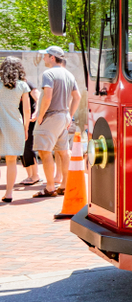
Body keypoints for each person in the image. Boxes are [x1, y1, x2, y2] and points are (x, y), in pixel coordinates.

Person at [32, 46, 80, 198]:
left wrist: (40, 115)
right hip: (64, 116)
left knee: (44, 152)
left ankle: (50, 187)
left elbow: (47, 97)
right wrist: (69, 115)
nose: (44, 58)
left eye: (45, 56)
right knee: (63, 152)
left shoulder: (48, 73)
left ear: (52, 57)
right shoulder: (69, 75)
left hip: (51, 117)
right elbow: (77, 97)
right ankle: (64, 185)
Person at [0, 57, 31, 203]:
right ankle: (9, 193)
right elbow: (27, 110)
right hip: (14, 125)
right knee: (11, 161)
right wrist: (25, 129)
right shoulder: (23, 86)